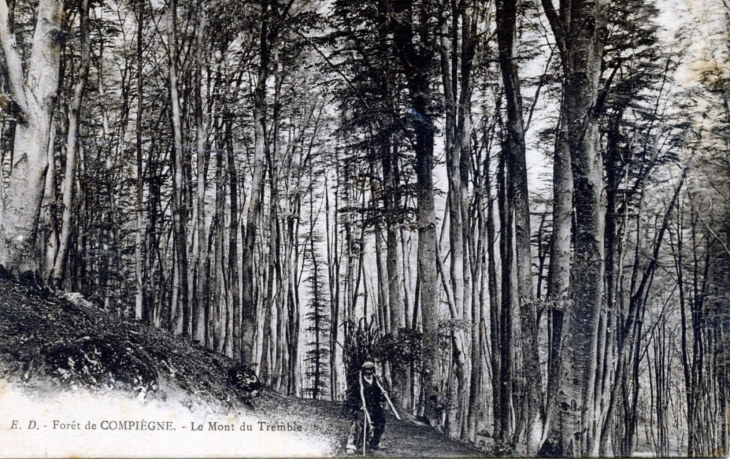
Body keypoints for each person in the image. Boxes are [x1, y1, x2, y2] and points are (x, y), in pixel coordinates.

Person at [345, 361, 387, 454]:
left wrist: (383, 396)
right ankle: (351, 445)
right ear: (363, 371)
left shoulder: (377, 382)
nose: (369, 373)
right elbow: (351, 398)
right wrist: (359, 406)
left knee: (380, 421)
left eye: (371, 370)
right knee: (358, 423)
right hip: (362, 407)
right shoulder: (358, 383)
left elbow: (380, 397)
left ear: (373, 371)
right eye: (367, 370)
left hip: (374, 407)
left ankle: (374, 443)